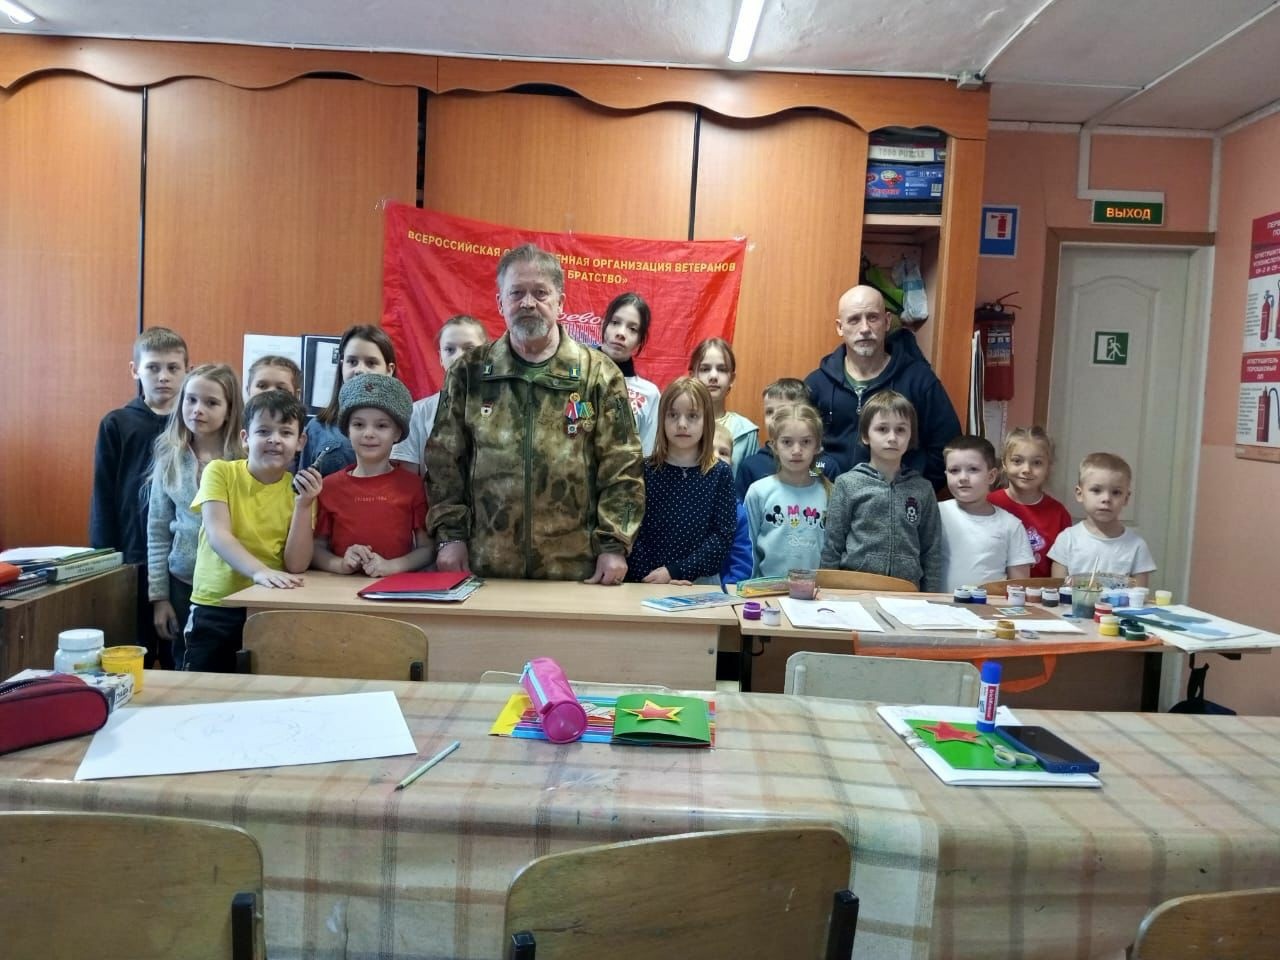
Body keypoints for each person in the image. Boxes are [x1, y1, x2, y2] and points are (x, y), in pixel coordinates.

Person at [425, 243, 643, 583]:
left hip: (575, 568)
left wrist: (614, 544)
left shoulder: (598, 374)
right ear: (501, 303)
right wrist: (449, 536)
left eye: (540, 293)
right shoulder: (469, 373)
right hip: (484, 566)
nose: (528, 303)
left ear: (560, 302)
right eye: (517, 293)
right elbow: (443, 462)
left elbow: (623, 466)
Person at [184, 390, 320, 672]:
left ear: (300, 442)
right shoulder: (219, 472)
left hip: (268, 604)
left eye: (285, 432)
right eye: (263, 431)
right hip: (216, 605)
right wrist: (259, 572)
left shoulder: (300, 491)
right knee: (206, 685)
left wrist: (304, 504)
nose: (274, 439)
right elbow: (218, 535)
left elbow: (296, 564)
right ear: (245, 438)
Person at [91, 326, 189, 667]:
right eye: (153, 367)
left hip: (180, 563)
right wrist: (103, 560)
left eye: (173, 368)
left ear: (187, 371)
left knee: (180, 654)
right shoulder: (116, 424)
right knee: (133, 653)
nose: (163, 376)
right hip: (130, 559)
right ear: (135, 370)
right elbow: (103, 497)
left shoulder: (194, 424)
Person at [804, 285, 960, 489]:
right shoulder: (817, 384)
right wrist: (817, 487)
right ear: (840, 327)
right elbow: (798, 446)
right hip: (828, 500)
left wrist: (912, 490)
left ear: (887, 322)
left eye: (872, 317)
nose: (864, 328)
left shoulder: (919, 381)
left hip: (898, 501)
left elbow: (949, 447)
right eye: (854, 320)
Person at [147, 364, 245, 670]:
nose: (197, 410)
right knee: (186, 661)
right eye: (191, 399)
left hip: (230, 583)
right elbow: (157, 530)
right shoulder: (170, 457)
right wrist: (159, 598)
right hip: (183, 582)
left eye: (211, 403)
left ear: (229, 410)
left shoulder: (243, 460)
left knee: (231, 665)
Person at [821, 390, 942, 591]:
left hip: (907, 592)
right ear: (865, 435)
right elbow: (832, 545)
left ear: (911, 436)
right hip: (855, 589)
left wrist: (932, 597)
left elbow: (932, 551)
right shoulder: (847, 484)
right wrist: (827, 592)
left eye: (901, 430)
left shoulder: (922, 489)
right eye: (882, 429)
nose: (892, 438)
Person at [314, 374, 433, 576]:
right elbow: (316, 548)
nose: (369, 433)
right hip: (338, 589)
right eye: (359, 425)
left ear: (397, 433)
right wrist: (341, 564)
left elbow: (427, 549)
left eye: (381, 426)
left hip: (393, 588)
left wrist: (392, 567)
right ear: (347, 430)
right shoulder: (328, 487)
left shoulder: (412, 487)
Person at [625, 378, 736, 585]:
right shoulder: (644, 470)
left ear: (706, 420)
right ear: (662, 419)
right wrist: (651, 577)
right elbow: (631, 528)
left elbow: (722, 537)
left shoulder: (720, 474)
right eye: (673, 415)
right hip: (645, 580)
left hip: (699, 582)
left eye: (692, 416)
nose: (682, 424)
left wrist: (677, 571)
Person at [392, 315, 489, 476]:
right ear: (440, 358)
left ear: (487, 354)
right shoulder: (417, 414)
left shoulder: (505, 409)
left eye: (470, 348)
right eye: (449, 349)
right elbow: (408, 483)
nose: (458, 357)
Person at [744, 403, 830, 579]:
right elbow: (747, 548)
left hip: (815, 591)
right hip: (767, 590)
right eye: (787, 442)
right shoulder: (759, 492)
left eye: (806, 442)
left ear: (817, 446)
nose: (796, 451)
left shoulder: (830, 493)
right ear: (774, 446)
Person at [938, 435, 1033, 591]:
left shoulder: (1011, 525)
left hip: (989, 605)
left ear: (991, 476)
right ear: (946, 474)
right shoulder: (936, 514)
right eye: (954, 470)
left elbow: (1019, 587)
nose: (963, 478)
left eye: (973, 469)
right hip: (937, 605)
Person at [303, 325, 398, 476]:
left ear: (389, 370)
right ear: (342, 366)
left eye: (371, 363)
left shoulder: (404, 425)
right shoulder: (318, 428)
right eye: (352, 361)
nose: (359, 370)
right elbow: (303, 484)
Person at [1049, 452, 1156, 586]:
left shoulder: (1137, 546)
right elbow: (1058, 588)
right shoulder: (1067, 539)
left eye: (1116, 492)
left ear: (1126, 498)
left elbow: (1140, 593)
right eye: (1096, 490)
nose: (1106, 498)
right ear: (1080, 494)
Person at [735, 378, 842, 499]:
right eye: (769, 412)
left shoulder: (825, 466)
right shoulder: (752, 466)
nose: (774, 418)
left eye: (783, 411)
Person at [988, 426, 1073, 579]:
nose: (1027, 469)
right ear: (1005, 463)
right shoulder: (989, 504)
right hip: (992, 590)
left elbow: (1064, 565)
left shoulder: (1058, 513)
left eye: (1037, 463)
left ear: (1048, 467)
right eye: (1017, 461)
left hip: (1041, 592)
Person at [599, 292, 660, 457]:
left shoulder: (649, 394)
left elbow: (647, 456)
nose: (621, 333)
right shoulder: (577, 373)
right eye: (615, 323)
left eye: (632, 329)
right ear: (604, 325)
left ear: (640, 340)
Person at [690, 337, 758, 477]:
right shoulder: (679, 425)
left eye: (721, 369)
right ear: (692, 376)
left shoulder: (746, 432)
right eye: (705, 369)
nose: (713, 376)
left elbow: (751, 482)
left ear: (731, 379)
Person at [714, 423, 753, 588]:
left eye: (723, 453)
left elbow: (741, 563)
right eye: (709, 450)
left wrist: (726, 592)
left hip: (721, 595)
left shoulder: (737, 511)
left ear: (732, 462)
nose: (716, 457)